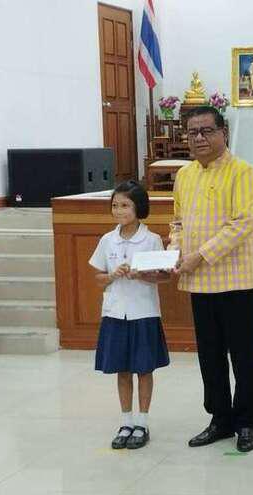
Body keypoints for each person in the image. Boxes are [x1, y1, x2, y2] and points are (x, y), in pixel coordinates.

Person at [169, 105, 253, 453]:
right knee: (209, 355)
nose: (199, 138)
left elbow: (242, 224)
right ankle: (220, 419)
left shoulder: (243, 172)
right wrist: (174, 250)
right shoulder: (184, 175)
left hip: (237, 280)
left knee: (243, 355)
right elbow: (177, 222)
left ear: (223, 132)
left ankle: (246, 423)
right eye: (193, 132)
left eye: (207, 130)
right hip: (199, 282)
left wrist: (198, 256)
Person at [89, 180, 170, 450]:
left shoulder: (151, 239)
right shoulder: (107, 240)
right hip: (115, 313)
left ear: (139, 208)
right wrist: (113, 275)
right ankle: (126, 421)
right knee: (122, 370)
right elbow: (98, 278)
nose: (119, 211)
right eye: (115, 205)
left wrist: (143, 275)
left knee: (144, 369)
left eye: (125, 205)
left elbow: (164, 277)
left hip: (144, 313)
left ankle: (142, 423)